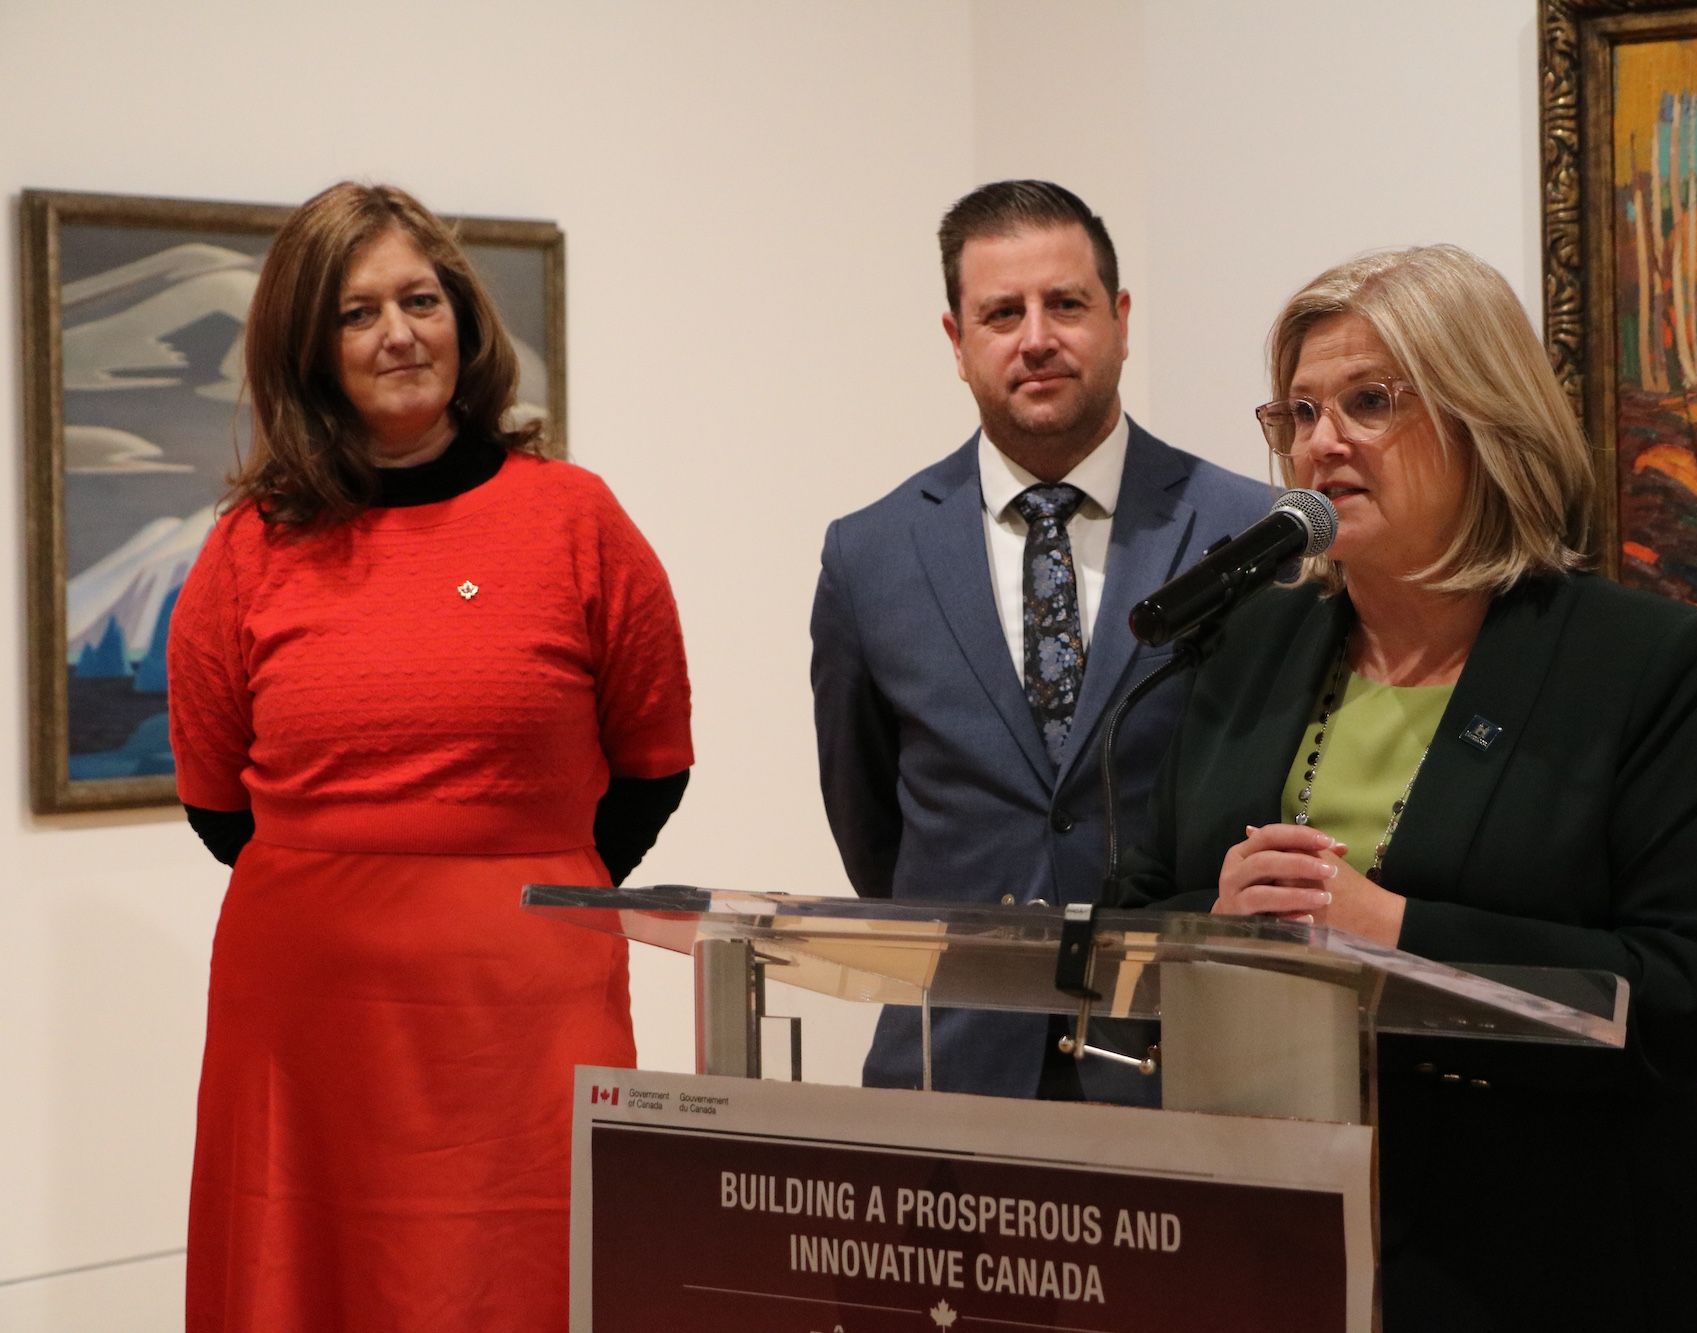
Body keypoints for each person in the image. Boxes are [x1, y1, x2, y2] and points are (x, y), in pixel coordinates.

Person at [1117, 245, 1697, 1331]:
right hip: (1282, 1240)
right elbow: (1131, 918)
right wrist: (1219, 927)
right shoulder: (1249, 644)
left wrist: (1397, 931)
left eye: (1368, 401)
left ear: (1482, 417)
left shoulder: (1641, 663)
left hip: (1560, 1260)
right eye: (1298, 412)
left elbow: (1686, 994)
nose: (1321, 443)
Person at [167, 181, 693, 1332]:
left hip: (528, 1011)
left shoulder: (575, 519)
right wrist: (367, 877)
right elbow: (216, 803)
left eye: (421, 299)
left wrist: (509, 884)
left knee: (534, 1282)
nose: (400, 333)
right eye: (357, 313)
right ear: (308, 347)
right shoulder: (246, 550)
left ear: (464, 315)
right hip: (307, 1020)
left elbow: (652, 762)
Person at [810, 180, 1267, 1101]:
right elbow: (870, 827)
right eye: (1001, 313)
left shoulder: (1244, 532)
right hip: (954, 1068)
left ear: (1121, 318)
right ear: (957, 340)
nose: (1036, 337)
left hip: (1185, 1066)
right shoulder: (871, 553)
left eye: (1066, 304)